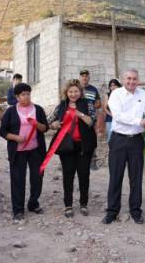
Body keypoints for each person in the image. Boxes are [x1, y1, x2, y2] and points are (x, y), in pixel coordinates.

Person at [102, 68, 145, 225]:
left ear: (138, 80)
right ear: (123, 79)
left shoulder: (143, 94)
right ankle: (112, 212)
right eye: (128, 78)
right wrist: (139, 121)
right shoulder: (116, 94)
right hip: (119, 140)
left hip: (136, 140)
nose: (131, 81)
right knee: (116, 176)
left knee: (136, 178)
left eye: (134, 78)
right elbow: (118, 116)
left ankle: (136, 211)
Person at [0, 82, 49, 220]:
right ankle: (18, 209)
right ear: (17, 97)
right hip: (18, 151)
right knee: (17, 179)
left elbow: (45, 128)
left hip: (36, 150)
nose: (26, 97)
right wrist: (15, 137)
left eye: (28, 94)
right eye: (23, 94)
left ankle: (33, 203)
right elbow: (2, 131)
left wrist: (36, 124)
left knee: (37, 178)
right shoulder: (10, 111)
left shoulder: (38, 110)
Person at [48, 79, 97, 217]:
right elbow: (50, 122)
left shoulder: (88, 104)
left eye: (76, 91)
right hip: (66, 146)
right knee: (68, 176)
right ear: (66, 93)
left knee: (84, 175)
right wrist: (54, 124)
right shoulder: (62, 106)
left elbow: (92, 121)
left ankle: (83, 204)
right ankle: (68, 205)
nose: (73, 94)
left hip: (84, 145)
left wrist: (79, 114)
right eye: (70, 91)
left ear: (80, 92)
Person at [79, 69, 101, 170]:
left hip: (91, 119)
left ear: (89, 78)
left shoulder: (93, 89)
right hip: (78, 118)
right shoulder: (76, 88)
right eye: (83, 76)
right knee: (77, 139)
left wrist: (92, 106)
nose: (85, 78)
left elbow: (98, 103)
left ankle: (92, 161)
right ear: (80, 78)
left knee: (92, 139)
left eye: (86, 76)